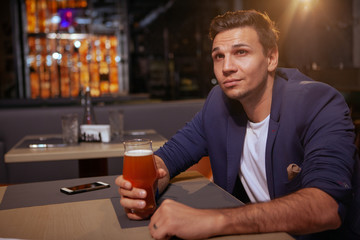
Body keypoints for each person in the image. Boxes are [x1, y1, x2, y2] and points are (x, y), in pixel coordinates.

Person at [116, 9, 360, 240]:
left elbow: (325, 207)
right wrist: (143, 188)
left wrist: (212, 220)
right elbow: (169, 156)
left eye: (241, 52)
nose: (227, 67)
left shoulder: (318, 103)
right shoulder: (218, 103)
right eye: (218, 56)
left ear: (271, 58)